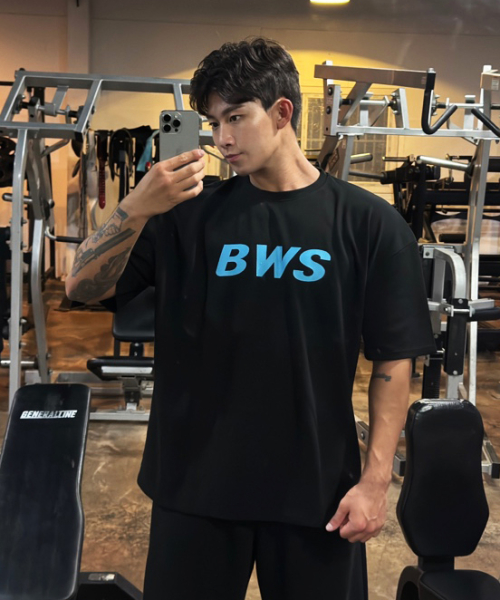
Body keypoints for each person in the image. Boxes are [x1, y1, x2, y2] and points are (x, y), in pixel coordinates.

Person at [66, 38, 435, 600]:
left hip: (317, 491)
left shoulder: (370, 224)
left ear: (282, 112)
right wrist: (137, 205)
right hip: (195, 486)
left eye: (235, 117)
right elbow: (81, 286)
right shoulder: (186, 215)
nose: (221, 139)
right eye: (213, 122)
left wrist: (375, 480)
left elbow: (393, 359)